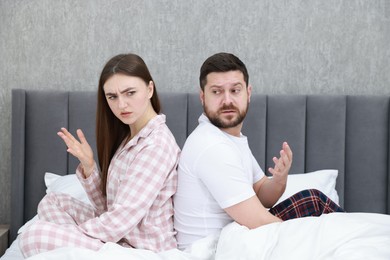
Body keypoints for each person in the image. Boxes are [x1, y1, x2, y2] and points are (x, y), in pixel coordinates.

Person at [173, 52, 344, 250]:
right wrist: (309, 240)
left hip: (233, 243)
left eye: (235, 90)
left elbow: (263, 194)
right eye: (217, 92)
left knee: (313, 205)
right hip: (214, 252)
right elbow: (259, 221)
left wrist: (279, 179)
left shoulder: (229, 139)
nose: (227, 100)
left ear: (248, 92)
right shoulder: (212, 146)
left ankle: (349, 241)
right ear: (203, 97)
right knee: (313, 203)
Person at [19, 53, 180, 257]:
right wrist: (89, 165)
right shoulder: (129, 138)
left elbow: (118, 221)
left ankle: (69, 247)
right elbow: (108, 207)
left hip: (141, 249)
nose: (121, 105)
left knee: (33, 237)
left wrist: (68, 235)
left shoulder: (155, 145)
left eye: (130, 93)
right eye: (112, 97)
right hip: (121, 238)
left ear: (150, 89)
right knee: (52, 202)